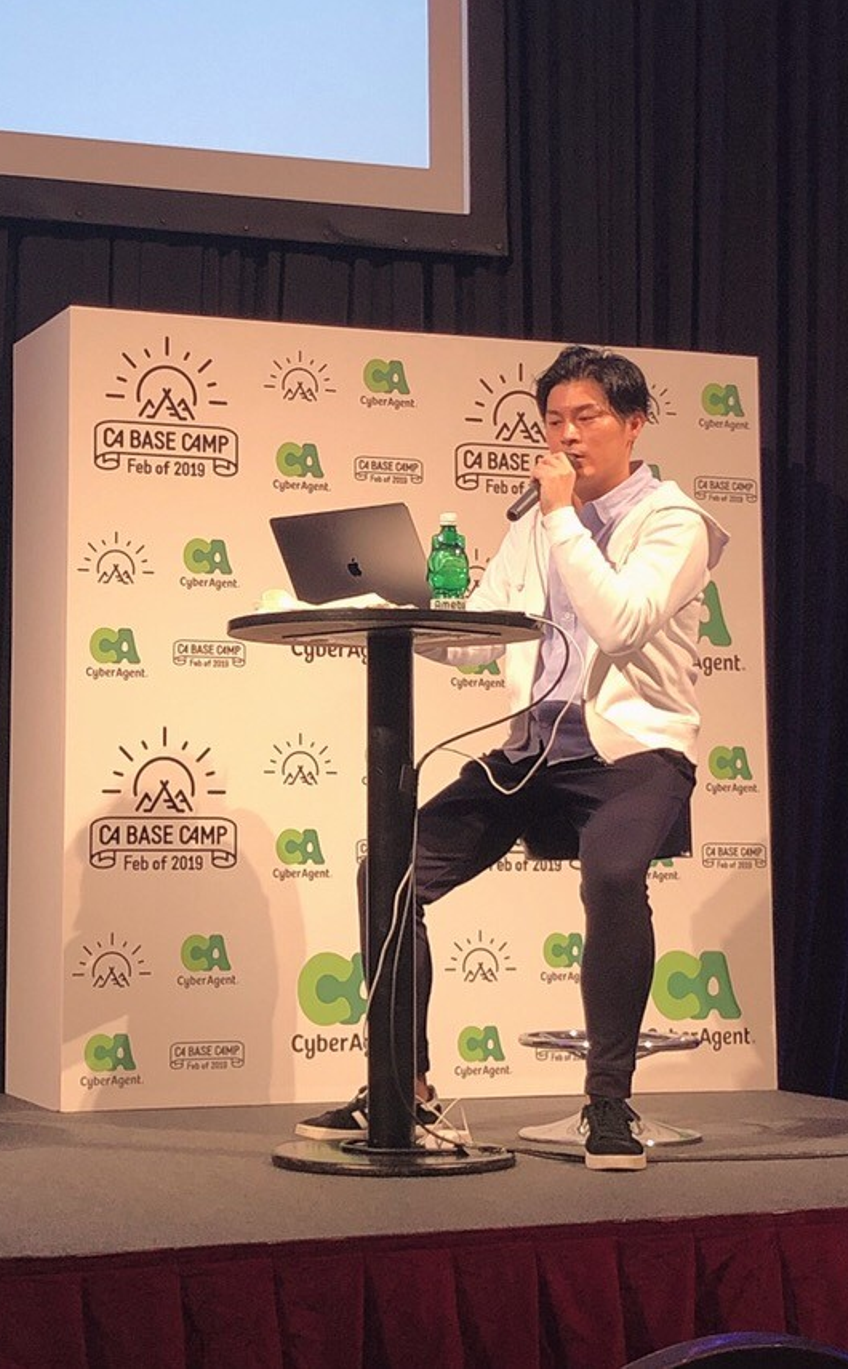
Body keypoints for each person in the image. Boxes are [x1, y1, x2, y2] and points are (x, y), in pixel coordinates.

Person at [297, 345, 729, 1170]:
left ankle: (608, 1101)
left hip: (632, 754)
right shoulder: (534, 527)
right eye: (554, 420)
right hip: (532, 752)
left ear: (634, 425)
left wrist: (561, 517)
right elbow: (479, 643)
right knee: (388, 870)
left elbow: (621, 624)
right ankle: (402, 1088)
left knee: (613, 878)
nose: (567, 436)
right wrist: (394, 616)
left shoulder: (674, 522)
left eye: (587, 418)